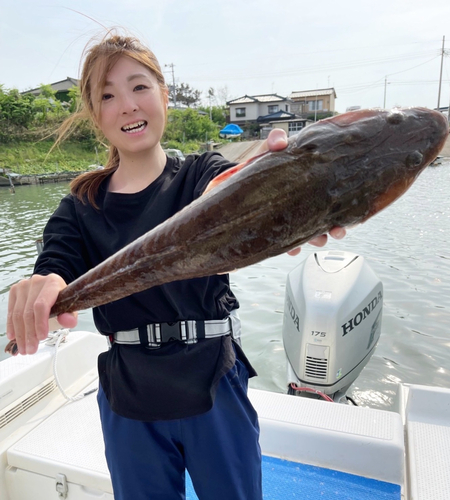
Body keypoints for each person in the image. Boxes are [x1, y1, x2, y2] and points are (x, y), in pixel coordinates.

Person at [6, 32, 345, 500]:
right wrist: (42, 283)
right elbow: (56, 264)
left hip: (213, 375)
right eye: (107, 95)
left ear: (165, 95)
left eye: (139, 87)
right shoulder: (81, 206)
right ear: (94, 115)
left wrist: (282, 195)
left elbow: (230, 193)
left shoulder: (200, 175)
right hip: (129, 388)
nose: (127, 105)